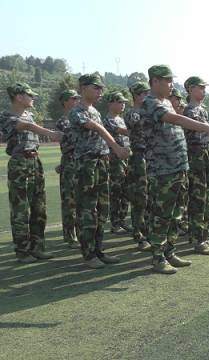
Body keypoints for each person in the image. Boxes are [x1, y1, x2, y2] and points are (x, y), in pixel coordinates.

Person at [142, 65, 209, 274]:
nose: (171, 84)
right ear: (154, 81)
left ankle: (169, 252)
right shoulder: (151, 102)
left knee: (176, 213)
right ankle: (157, 257)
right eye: (167, 80)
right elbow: (177, 120)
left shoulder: (166, 103)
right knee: (162, 214)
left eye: (171, 80)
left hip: (178, 165)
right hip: (163, 168)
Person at [69, 74, 130, 269]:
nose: (100, 92)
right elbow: (96, 128)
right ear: (83, 88)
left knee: (102, 209)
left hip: (101, 163)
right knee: (87, 210)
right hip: (87, 165)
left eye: (101, 88)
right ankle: (88, 254)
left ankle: (98, 250)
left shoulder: (94, 110)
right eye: (96, 88)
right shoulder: (76, 111)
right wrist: (116, 147)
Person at [1, 82, 63, 263]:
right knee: (20, 210)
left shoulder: (29, 115)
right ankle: (22, 251)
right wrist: (50, 133)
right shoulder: (7, 116)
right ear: (19, 97)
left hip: (35, 161)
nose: (33, 97)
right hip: (19, 163)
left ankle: (37, 247)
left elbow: (29, 125)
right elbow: (23, 126)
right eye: (30, 95)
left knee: (39, 208)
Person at [182, 76, 209, 255]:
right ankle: (198, 240)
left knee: (208, 197)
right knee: (198, 198)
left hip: (207, 153)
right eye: (200, 88)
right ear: (190, 89)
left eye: (205, 88)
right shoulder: (188, 111)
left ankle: (204, 236)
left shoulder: (202, 110)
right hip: (196, 154)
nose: (203, 91)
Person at [124, 81, 152, 251]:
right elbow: (140, 125)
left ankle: (148, 232)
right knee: (140, 198)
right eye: (144, 93)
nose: (147, 96)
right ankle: (139, 234)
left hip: (150, 156)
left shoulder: (147, 111)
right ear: (137, 95)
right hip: (139, 157)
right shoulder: (133, 114)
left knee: (150, 197)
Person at [55, 89, 82, 249]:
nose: (77, 100)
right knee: (69, 201)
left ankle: (80, 233)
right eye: (74, 98)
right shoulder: (63, 122)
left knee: (81, 200)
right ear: (65, 101)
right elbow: (68, 144)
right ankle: (70, 236)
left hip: (81, 161)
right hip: (71, 161)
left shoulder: (79, 119)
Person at [103, 91, 132, 234]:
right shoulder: (107, 120)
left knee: (125, 191)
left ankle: (122, 220)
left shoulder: (121, 119)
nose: (123, 105)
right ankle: (115, 223)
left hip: (126, 158)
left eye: (124, 102)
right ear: (111, 103)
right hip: (115, 160)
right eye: (120, 102)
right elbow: (123, 132)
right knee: (116, 192)